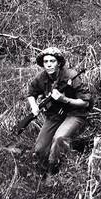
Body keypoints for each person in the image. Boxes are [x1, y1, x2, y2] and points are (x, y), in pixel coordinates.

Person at [26, 47, 91, 176]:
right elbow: (31, 93)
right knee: (40, 149)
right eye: (46, 61)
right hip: (54, 115)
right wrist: (34, 106)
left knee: (59, 138)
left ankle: (53, 173)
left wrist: (64, 99)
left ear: (59, 62)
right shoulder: (42, 77)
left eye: (52, 61)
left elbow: (85, 102)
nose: (49, 64)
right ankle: (41, 174)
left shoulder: (71, 76)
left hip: (74, 114)